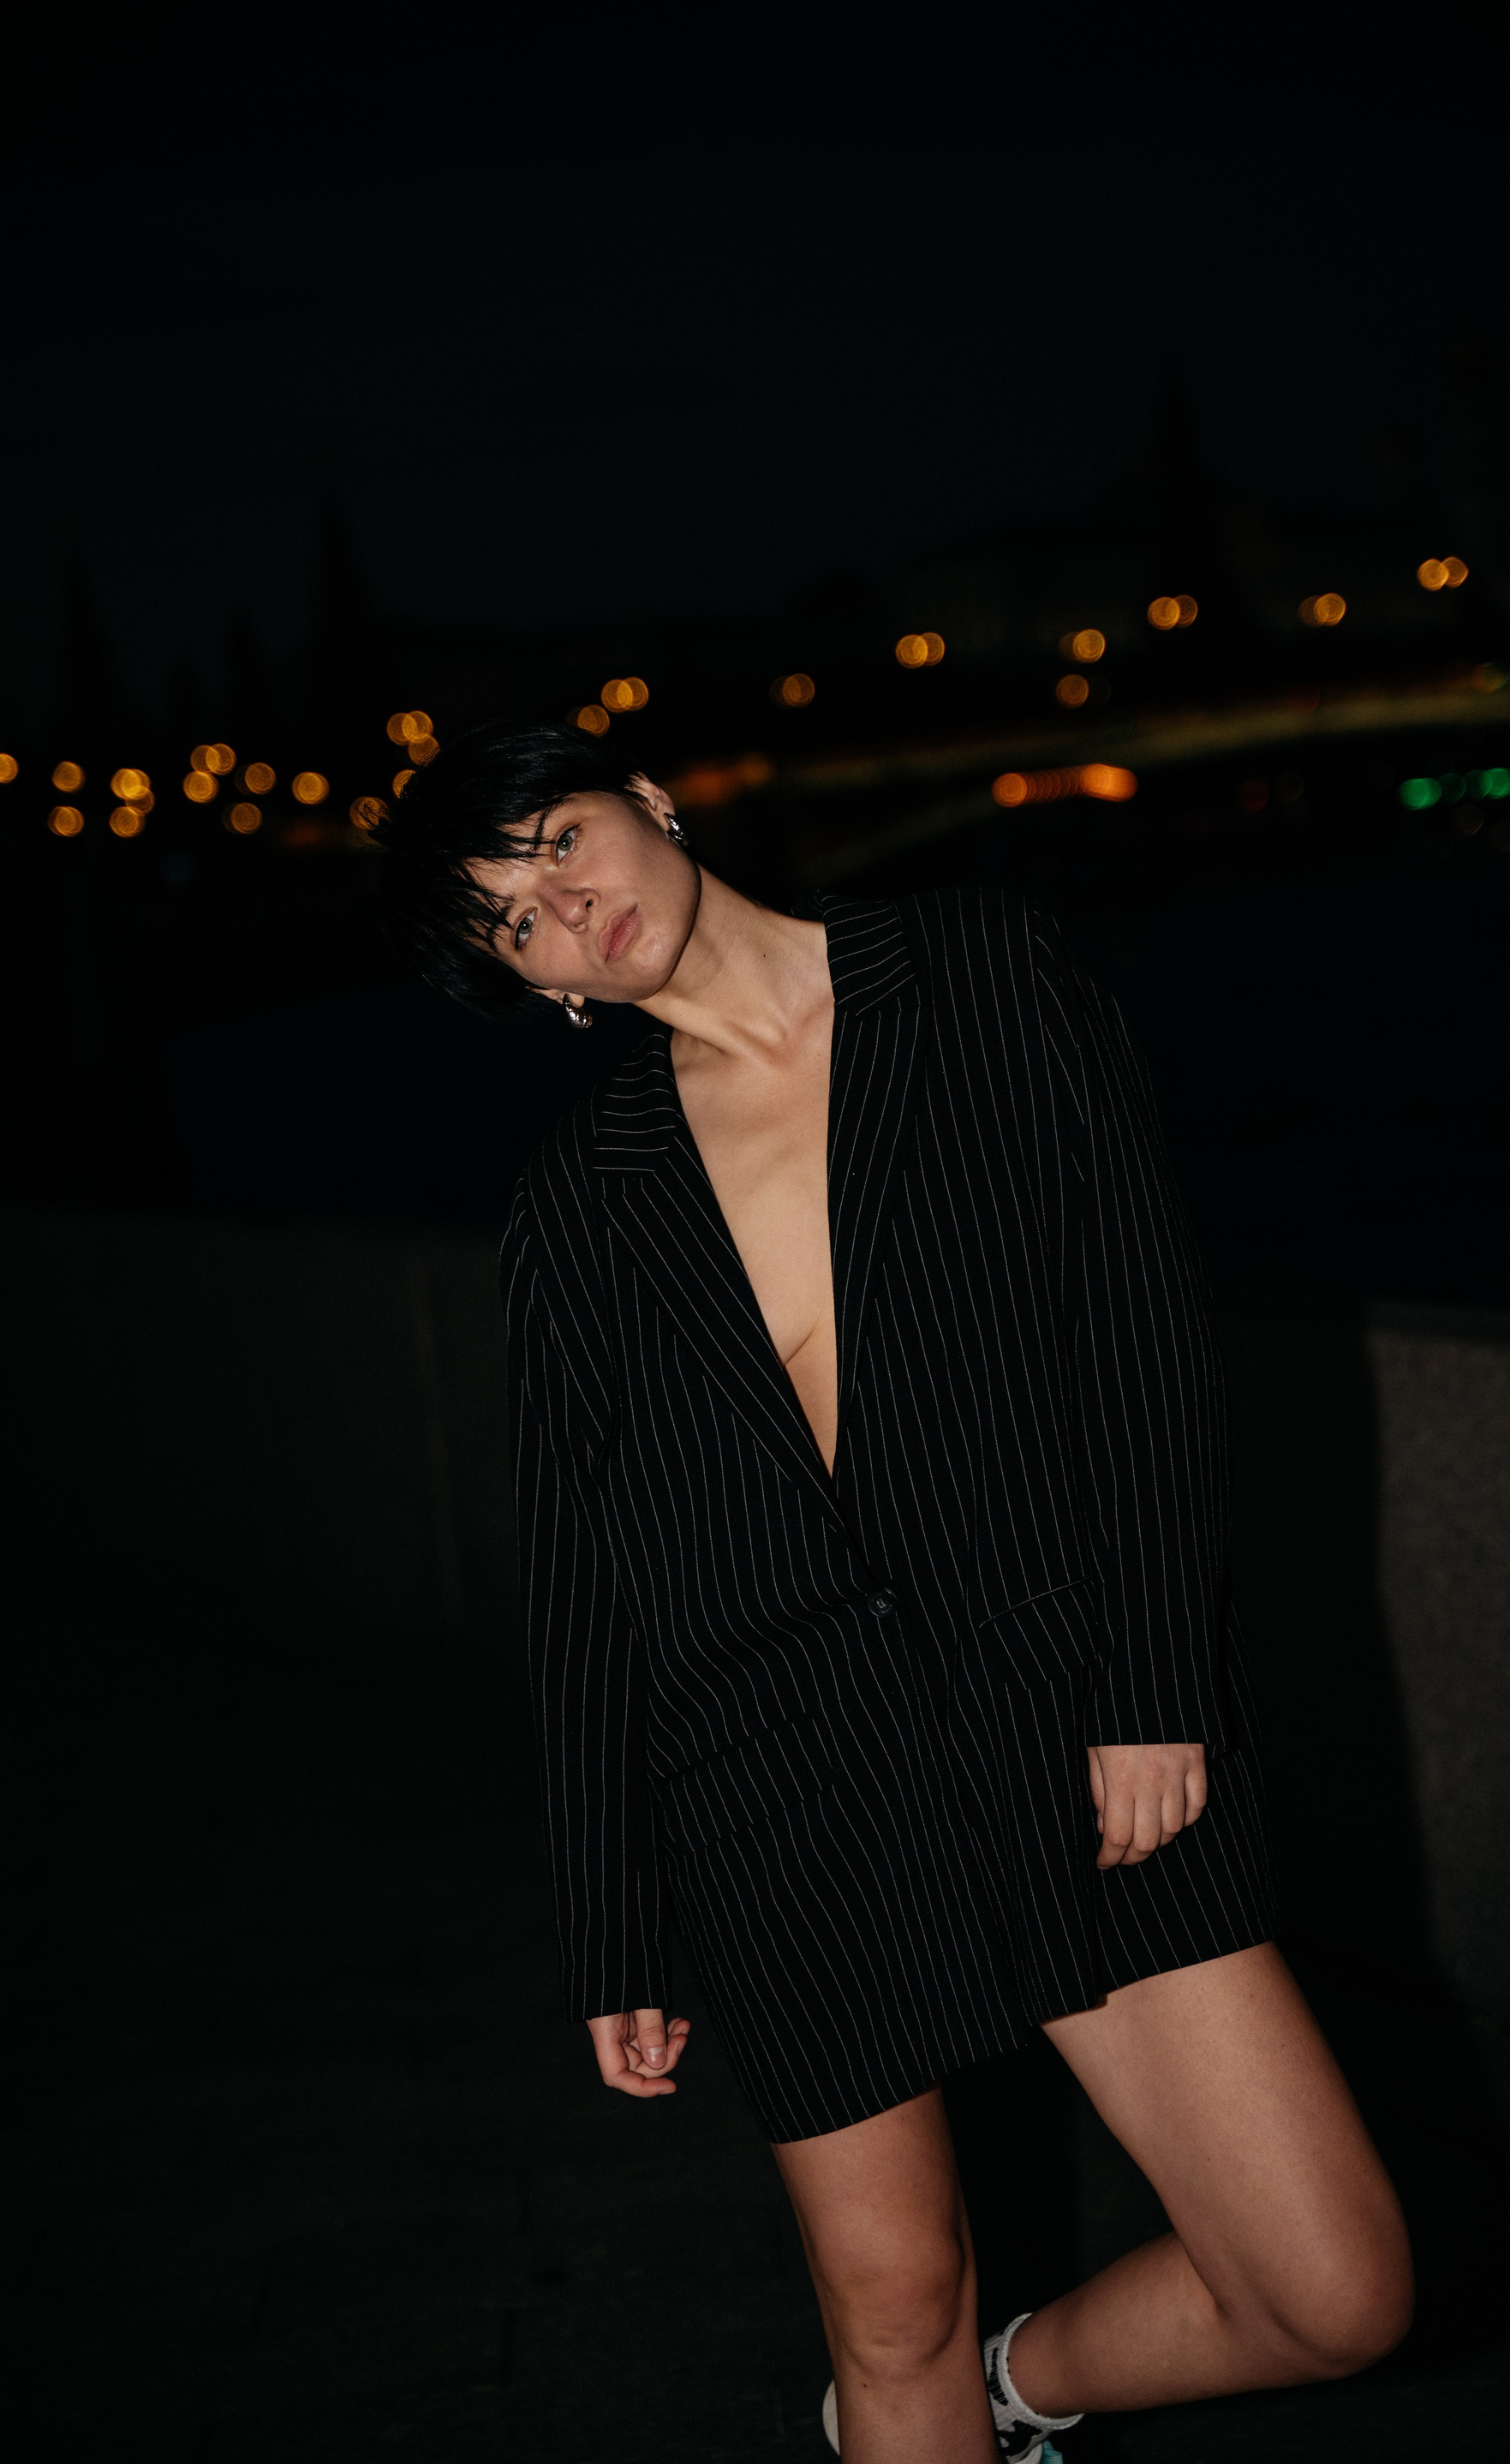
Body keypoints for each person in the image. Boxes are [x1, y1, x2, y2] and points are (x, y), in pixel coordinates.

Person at [377, 721, 1412, 2463]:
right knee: (892, 2310)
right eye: (514, 923)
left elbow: (1142, 1336)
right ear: (534, 987)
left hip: (1064, 1723)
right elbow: (585, 1580)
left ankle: (1023, 2387)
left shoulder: (983, 973)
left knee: (1331, 2291)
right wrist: (615, 1920)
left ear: (649, 797)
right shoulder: (576, 1207)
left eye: (556, 842)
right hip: (783, 1785)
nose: (563, 907)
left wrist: (1151, 1683)